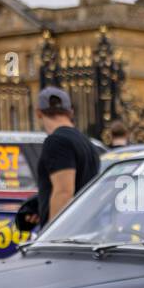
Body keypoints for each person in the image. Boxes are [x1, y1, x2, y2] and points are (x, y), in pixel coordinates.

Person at [31, 86, 100, 227]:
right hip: (86, 226)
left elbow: (64, 192)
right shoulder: (87, 142)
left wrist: (50, 237)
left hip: (68, 232)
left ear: (38, 113)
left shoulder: (56, 141)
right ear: (70, 112)